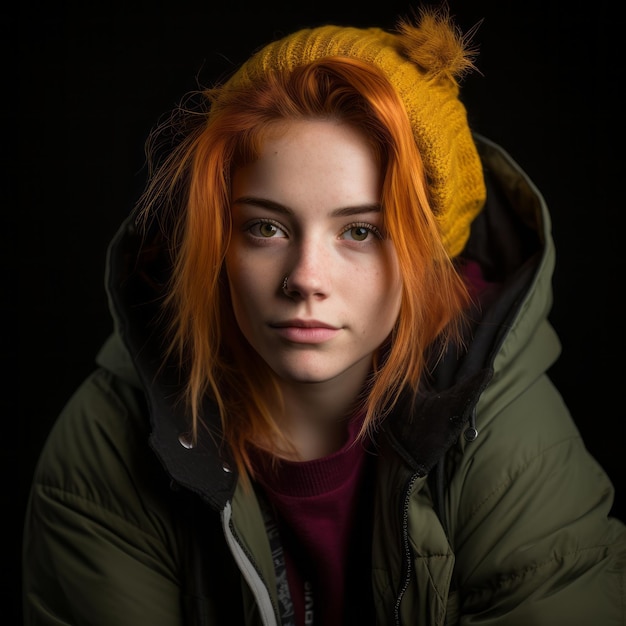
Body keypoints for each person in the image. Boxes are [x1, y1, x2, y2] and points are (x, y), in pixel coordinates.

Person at [22, 5, 626, 625]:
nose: (305, 279)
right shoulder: (109, 438)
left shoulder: (504, 430)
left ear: (428, 252)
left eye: (360, 230)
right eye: (265, 227)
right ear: (216, 242)